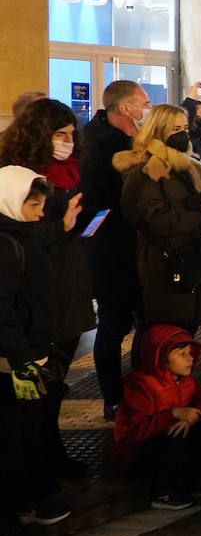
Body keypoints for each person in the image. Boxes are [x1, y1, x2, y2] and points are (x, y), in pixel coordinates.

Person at [0, 99, 94, 478]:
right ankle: (36, 465)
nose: (68, 142)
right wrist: (61, 227)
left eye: (71, 134)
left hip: (67, 285)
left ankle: (51, 454)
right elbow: (18, 233)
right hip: (36, 294)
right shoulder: (16, 180)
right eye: (60, 134)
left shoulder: (70, 172)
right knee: (33, 390)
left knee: (55, 384)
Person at [0, 167, 70, 536]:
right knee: (10, 440)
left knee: (28, 434)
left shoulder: (24, 236)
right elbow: (3, 312)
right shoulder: (6, 245)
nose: (40, 212)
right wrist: (22, 360)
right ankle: (7, 525)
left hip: (31, 354)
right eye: (34, 204)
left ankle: (26, 501)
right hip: (12, 363)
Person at [116, 104, 201, 333]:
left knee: (185, 335)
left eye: (184, 128)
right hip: (164, 267)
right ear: (157, 131)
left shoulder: (192, 166)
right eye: (175, 129)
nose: (182, 134)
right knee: (162, 335)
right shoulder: (144, 170)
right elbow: (155, 219)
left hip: (195, 262)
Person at [79, 79, 151, 420]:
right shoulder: (96, 148)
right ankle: (114, 398)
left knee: (146, 321)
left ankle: (143, 390)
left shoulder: (136, 140)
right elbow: (93, 210)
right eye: (144, 102)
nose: (148, 108)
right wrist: (116, 226)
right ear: (125, 108)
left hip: (139, 249)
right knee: (113, 325)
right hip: (112, 254)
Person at [113, 325, 201, 509]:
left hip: (168, 449)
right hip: (136, 455)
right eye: (182, 354)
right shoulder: (140, 384)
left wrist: (190, 417)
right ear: (161, 357)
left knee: (200, 423)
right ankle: (162, 493)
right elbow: (133, 431)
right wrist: (173, 414)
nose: (190, 358)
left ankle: (196, 480)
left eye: (190, 352)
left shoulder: (185, 381)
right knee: (172, 433)